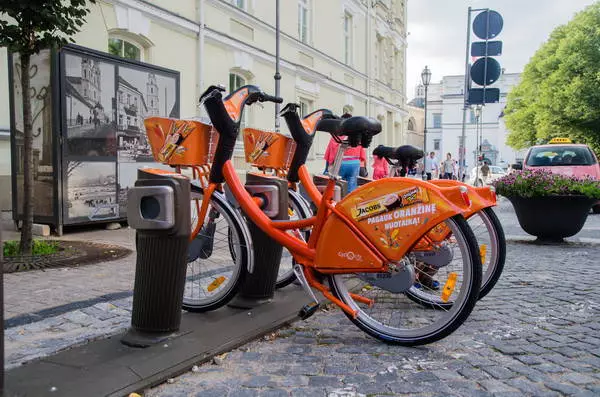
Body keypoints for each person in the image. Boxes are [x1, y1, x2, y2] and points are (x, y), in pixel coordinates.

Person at [323, 114, 366, 192]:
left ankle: (339, 202)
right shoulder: (357, 135)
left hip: (340, 163)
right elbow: (362, 153)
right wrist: (362, 167)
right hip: (355, 163)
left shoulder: (336, 135)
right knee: (352, 186)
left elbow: (331, 151)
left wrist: (328, 167)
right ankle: (350, 202)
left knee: (338, 186)